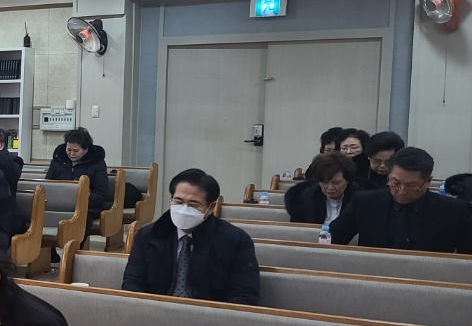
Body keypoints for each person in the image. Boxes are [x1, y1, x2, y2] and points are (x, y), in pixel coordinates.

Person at [122, 168, 260, 304]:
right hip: (154, 311)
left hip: (210, 314)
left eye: (193, 204)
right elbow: (132, 283)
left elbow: (243, 294)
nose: (184, 209)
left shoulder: (236, 241)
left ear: (210, 208)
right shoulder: (148, 236)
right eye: (178, 202)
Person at [330, 147, 472, 253]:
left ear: (428, 181)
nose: (402, 190)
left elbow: (467, 257)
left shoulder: (454, 211)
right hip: (373, 275)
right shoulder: (364, 202)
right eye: (395, 182)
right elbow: (333, 238)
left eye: (411, 185)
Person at [44, 128, 110, 222]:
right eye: (68, 150)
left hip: (87, 208)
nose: (71, 154)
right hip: (59, 205)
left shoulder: (97, 162)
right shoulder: (59, 159)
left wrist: (80, 198)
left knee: (80, 220)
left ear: (86, 148)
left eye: (76, 151)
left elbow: (100, 193)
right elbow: (48, 184)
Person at [283, 154, 364, 225]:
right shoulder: (304, 199)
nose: (330, 187)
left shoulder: (361, 200)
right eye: (324, 182)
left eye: (336, 183)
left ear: (347, 180)